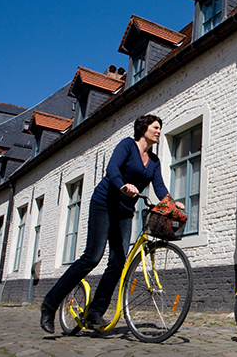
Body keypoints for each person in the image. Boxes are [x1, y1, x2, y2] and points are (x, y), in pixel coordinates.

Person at [40, 114, 183, 333]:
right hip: (104, 204)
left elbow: (160, 187)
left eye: (160, 128)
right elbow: (112, 169)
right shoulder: (127, 145)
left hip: (124, 211)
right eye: (155, 127)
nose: (159, 131)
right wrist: (122, 185)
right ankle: (49, 305)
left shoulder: (154, 162)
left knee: (118, 262)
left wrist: (172, 204)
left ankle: (95, 313)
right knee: (92, 257)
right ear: (144, 128)